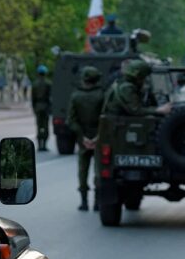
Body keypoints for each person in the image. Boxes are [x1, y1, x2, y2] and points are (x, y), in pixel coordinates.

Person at [67, 66, 105, 211]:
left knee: (82, 171)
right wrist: (97, 137)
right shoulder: (102, 95)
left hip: (82, 139)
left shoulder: (76, 96)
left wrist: (83, 137)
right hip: (99, 138)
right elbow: (105, 117)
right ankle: (97, 202)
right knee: (99, 171)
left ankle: (84, 202)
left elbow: (71, 120)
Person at [102, 60, 171, 116]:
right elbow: (136, 110)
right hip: (118, 123)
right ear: (138, 77)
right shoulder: (126, 88)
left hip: (120, 119)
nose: (145, 80)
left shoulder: (122, 82)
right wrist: (159, 110)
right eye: (144, 77)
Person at [31, 65, 51, 151]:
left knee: (39, 126)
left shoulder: (35, 84)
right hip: (46, 106)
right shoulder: (48, 83)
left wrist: (34, 109)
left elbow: (33, 98)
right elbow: (50, 97)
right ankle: (44, 145)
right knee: (45, 126)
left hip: (38, 107)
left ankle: (39, 146)